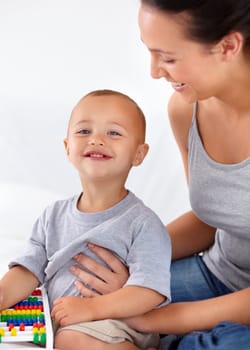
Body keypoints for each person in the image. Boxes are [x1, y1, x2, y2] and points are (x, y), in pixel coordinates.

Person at [66, 1, 250, 349]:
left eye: (167, 57)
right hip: (214, 274)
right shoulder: (186, 108)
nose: (154, 71)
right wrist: (135, 258)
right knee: (80, 309)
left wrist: (155, 319)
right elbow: (212, 215)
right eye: (149, 53)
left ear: (228, 46)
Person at [0, 89, 172, 350]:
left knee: (71, 340)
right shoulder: (53, 215)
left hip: (114, 319)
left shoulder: (143, 224)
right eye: (84, 132)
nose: (96, 140)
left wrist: (92, 308)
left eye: (113, 133)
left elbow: (149, 291)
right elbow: (28, 270)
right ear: (68, 148)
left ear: (139, 154)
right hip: (60, 317)